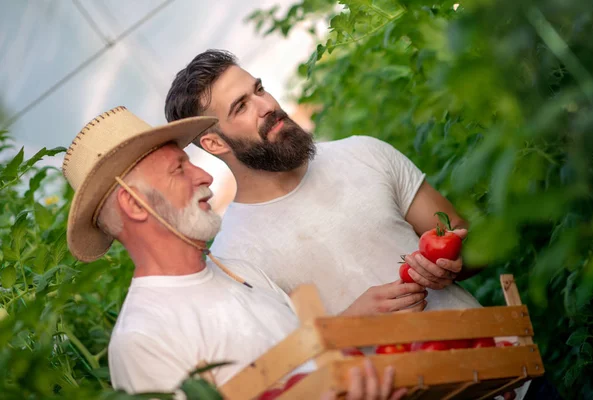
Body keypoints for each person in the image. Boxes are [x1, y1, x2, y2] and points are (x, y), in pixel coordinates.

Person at [61, 106, 406, 399]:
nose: (205, 175)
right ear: (134, 204)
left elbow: (310, 368)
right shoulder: (144, 337)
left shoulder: (243, 271)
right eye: (179, 169)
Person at [164, 49, 481, 316]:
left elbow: (470, 243)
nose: (268, 106)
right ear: (215, 144)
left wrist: (454, 261)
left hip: (510, 373)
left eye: (259, 90)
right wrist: (350, 326)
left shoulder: (364, 153)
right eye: (241, 106)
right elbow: (283, 368)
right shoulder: (234, 257)